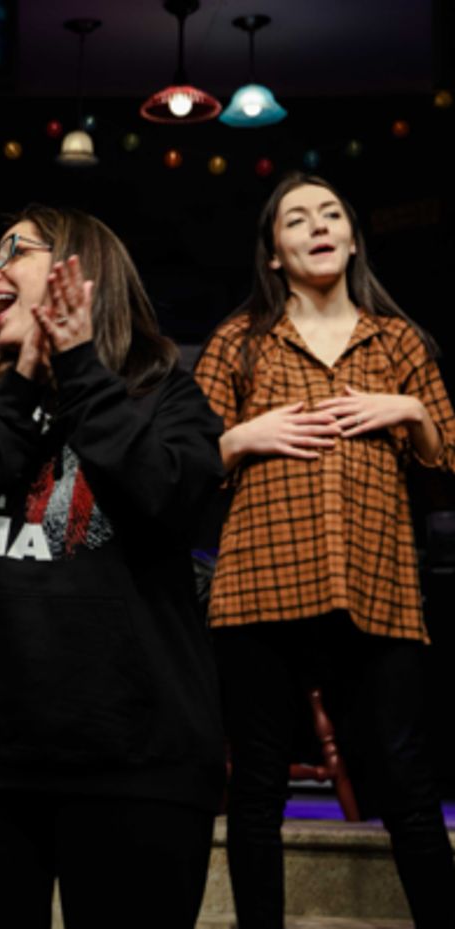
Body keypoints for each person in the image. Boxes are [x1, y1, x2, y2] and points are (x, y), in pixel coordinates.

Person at [0, 205, 226, 928]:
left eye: (14, 252)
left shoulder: (164, 390)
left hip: (137, 762)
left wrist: (80, 370)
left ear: (79, 271)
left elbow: (170, 496)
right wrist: (22, 388)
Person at [193, 174, 455, 929]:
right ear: (273, 252)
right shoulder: (240, 340)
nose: (317, 226)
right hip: (261, 589)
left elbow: (446, 465)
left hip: (377, 589)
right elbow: (182, 466)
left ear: (350, 237)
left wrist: (408, 409)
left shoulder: (396, 339)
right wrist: (242, 438)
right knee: (257, 788)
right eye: (297, 219)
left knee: (407, 781)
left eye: (331, 213)